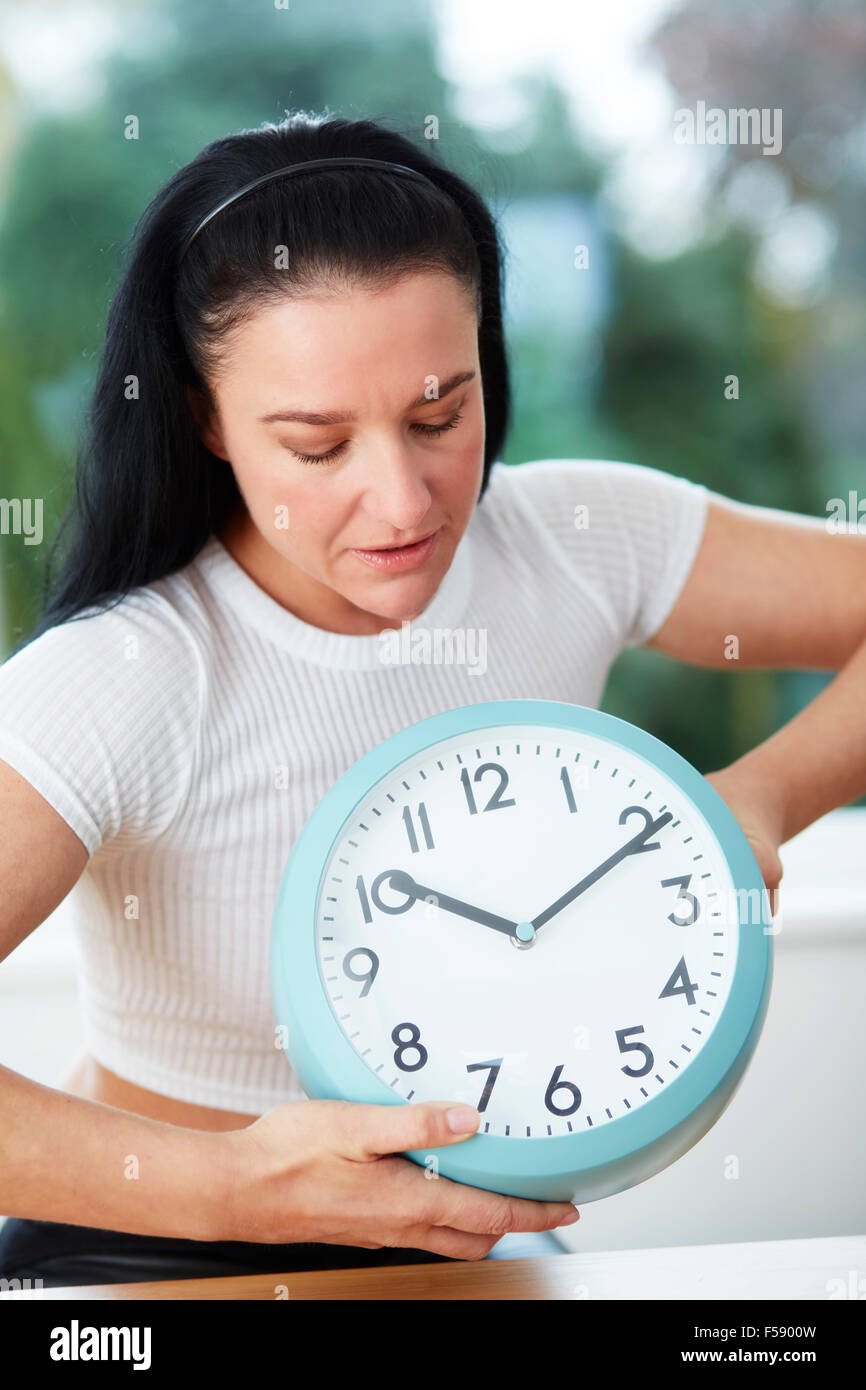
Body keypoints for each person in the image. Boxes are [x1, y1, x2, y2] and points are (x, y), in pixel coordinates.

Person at [2, 111, 865, 1290]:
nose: (402, 500)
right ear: (204, 418)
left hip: (471, 1237)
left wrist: (759, 797)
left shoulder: (574, 539)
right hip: (153, 1251)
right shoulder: (128, 674)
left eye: (437, 415)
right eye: (316, 444)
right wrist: (237, 1187)